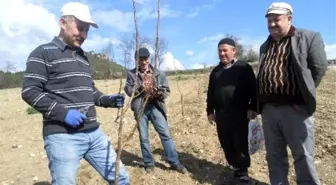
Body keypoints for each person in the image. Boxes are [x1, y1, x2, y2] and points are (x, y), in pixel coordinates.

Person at [21, 2, 129, 185]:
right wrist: (64, 114)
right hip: (63, 137)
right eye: (80, 28)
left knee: (121, 178)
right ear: (63, 23)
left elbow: (90, 91)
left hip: (94, 133)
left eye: (87, 31)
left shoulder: (82, 57)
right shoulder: (42, 53)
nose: (84, 35)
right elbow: (30, 91)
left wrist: (108, 100)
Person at [256, 2, 329, 185]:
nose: (272, 24)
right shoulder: (266, 46)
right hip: (269, 110)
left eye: (276, 19)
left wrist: (302, 93)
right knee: (274, 156)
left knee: (303, 156)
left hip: (296, 109)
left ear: (289, 18)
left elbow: (319, 68)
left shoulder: (308, 37)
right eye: (269, 20)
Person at [124, 47, 187, 174]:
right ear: (136, 61)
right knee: (144, 137)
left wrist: (158, 93)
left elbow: (166, 91)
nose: (143, 62)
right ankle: (149, 163)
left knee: (166, 135)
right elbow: (128, 90)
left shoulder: (158, 73)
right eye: (140, 59)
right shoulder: (131, 74)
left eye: (145, 59)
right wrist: (140, 88)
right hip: (140, 108)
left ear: (149, 59)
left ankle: (174, 163)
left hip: (155, 106)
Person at [206, 38, 258, 185]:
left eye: (225, 50)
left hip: (240, 114)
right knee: (226, 143)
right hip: (222, 116)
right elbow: (210, 93)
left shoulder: (244, 68)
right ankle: (235, 167)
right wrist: (210, 111)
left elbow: (253, 90)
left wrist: (253, 107)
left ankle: (243, 173)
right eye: (219, 51)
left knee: (240, 143)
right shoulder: (215, 72)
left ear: (234, 51)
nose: (222, 53)